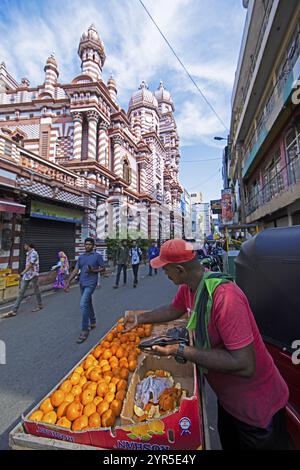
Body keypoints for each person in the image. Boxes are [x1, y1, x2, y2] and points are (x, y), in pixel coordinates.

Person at [123, 239, 290, 450]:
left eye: (166, 269)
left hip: (258, 411)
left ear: (180, 270)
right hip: (229, 403)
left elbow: (245, 364)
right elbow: (174, 310)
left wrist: (179, 349)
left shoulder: (225, 298)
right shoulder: (191, 288)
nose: (164, 273)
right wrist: (139, 319)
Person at [65, 237, 105, 343]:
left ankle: (84, 329)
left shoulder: (97, 256)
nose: (87, 246)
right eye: (86, 244)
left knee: (83, 304)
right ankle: (93, 321)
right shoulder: (81, 257)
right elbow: (76, 270)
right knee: (88, 302)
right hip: (82, 283)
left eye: (89, 244)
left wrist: (94, 270)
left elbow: (103, 268)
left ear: (93, 246)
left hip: (91, 283)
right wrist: (68, 281)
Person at [4, 242, 43, 317]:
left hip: (33, 274)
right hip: (27, 275)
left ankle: (40, 305)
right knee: (21, 292)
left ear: (28, 246)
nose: (24, 246)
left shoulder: (34, 253)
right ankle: (14, 310)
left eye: (25, 245)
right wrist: (24, 274)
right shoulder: (28, 253)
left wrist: (21, 274)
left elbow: (30, 265)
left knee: (36, 290)